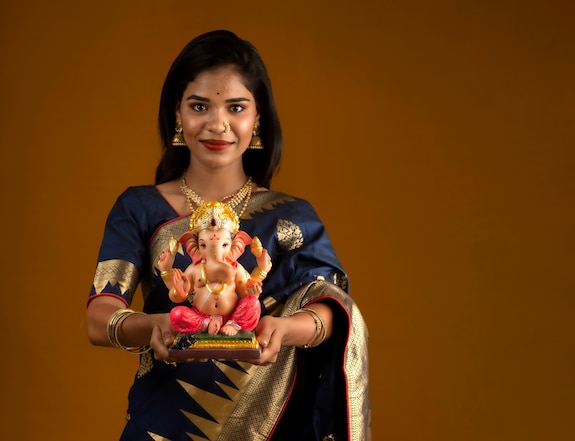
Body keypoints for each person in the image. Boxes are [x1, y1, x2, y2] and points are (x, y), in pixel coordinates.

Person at [86, 30, 370, 441]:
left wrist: (283, 331)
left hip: (268, 425)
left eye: (235, 107)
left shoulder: (291, 217)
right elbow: (99, 317)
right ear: (178, 115)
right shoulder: (140, 208)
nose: (217, 124)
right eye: (199, 105)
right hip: (163, 423)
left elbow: (333, 308)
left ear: (257, 120)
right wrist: (154, 327)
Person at [159, 200, 271, 336]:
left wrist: (262, 271)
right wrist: (168, 273)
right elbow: (177, 297)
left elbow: (247, 291)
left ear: (235, 245)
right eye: (203, 245)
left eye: (224, 245)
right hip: (201, 316)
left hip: (231, 316)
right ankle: (205, 325)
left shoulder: (235, 268)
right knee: (177, 314)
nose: (214, 251)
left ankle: (233, 325)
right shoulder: (195, 269)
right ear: (194, 246)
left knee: (253, 303)